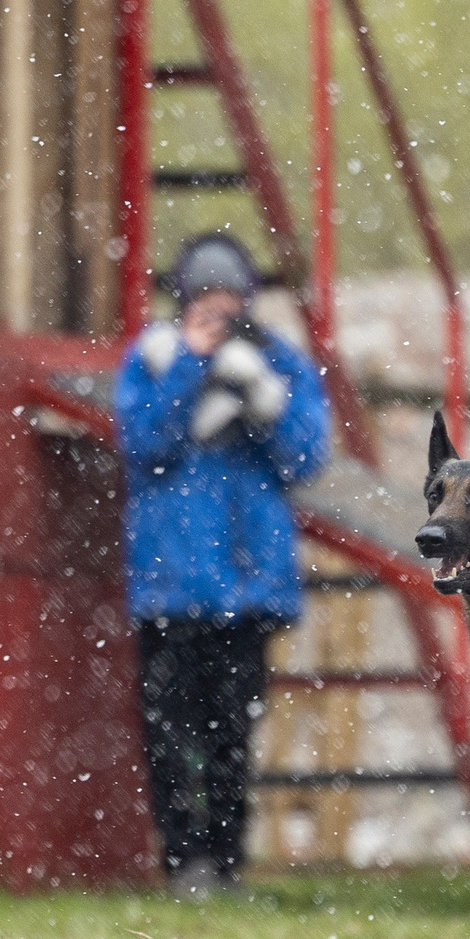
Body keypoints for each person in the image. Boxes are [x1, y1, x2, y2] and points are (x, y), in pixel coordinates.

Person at [113, 234, 330, 895]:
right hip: (171, 585)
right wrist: (189, 368)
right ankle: (184, 863)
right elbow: (143, 442)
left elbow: (306, 458)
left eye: (227, 304)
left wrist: (262, 396)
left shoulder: (278, 363)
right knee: (170, 734)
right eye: (206, 304)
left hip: (247, 584)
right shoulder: (151, 360)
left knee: (233, 731)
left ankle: (227, 862)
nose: (217, 315)